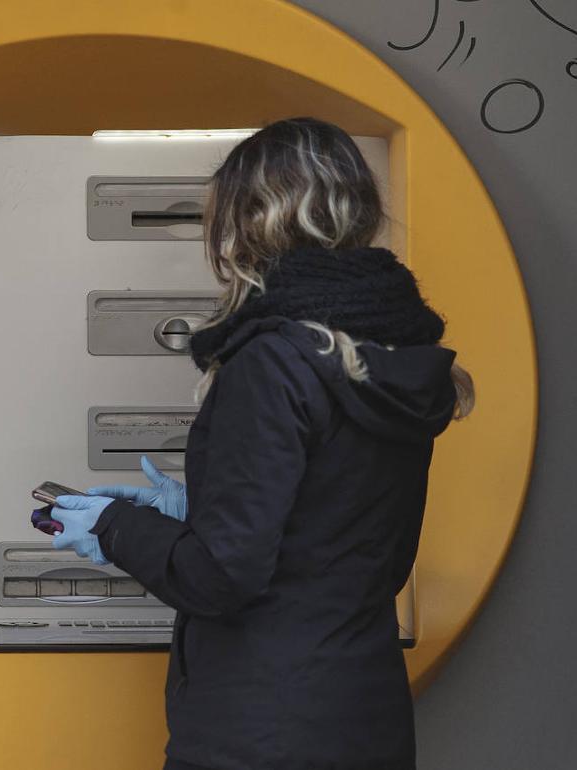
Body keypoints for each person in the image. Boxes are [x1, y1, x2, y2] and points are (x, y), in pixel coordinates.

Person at [50, 117, 474, 770]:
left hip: (261, 730)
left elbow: (222, 577)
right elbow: (347, 546)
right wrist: (195, 515)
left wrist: (116, 527)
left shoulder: (273, 361)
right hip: (363, 717)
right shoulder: (396, 356)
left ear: (248, 227)